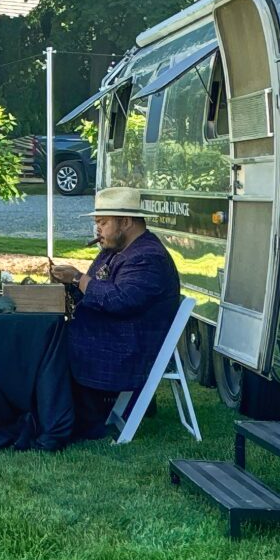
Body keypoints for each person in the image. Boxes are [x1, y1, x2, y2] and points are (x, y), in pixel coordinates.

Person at [49, 186, 183, 441]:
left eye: (103, 222)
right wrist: (69, 284)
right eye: (97, 223)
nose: (97, 230)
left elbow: (120, 300)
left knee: (52, 343)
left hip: (127, 346)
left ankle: (64, 416)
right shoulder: (115, 250)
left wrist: (77, 278)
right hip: (114, 334)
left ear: (126, 222)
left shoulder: (147, 257)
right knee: (49, 334)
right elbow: (95, 292)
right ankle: (53, 412)